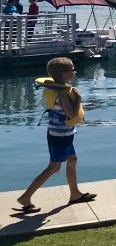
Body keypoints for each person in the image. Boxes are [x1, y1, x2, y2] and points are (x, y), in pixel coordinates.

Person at [12, 57, 97, 214]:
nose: (74, 71)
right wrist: (78, 99)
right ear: (64, 74)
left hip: (57, 133)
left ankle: (75, 193)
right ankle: (25, 197)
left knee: (72, 159)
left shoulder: (52, 89)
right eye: (72, 69)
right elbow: (71, 114)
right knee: (54, 167)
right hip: (61, 137)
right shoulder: (64, 95)